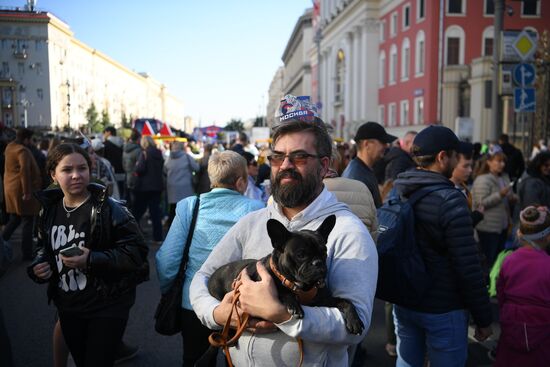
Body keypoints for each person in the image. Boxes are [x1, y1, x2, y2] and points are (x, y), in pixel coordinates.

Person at [190, 94, 377, 366]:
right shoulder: (252, 221)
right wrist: (220, 313)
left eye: (299, 157)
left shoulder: (348, 232)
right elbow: (202, 278)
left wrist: (283, 315)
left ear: (324, 166)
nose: (286, 165)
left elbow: (355, 326)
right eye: (278, 157)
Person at [27, 143, 149, 367]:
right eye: (67, 170)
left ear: (89, 170)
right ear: (53, 174)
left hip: (107, 304)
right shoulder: (48, 210)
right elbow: (43, 248)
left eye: (82, 168)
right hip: (68, 305)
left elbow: (137, 252)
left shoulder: (111, 209)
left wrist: (91, 259)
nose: (76, 175)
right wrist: (38, 266)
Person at [392, 126, 493, 367]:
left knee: (406, 363)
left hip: (404, 300)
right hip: (443, 307)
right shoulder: (450, 200)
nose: (458, 160)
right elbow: (467, 266)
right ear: (442, 157)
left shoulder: (398, 190)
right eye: (456, 155)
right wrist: (483, 318)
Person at [156, 150, 264, 366]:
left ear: (212, 178)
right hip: (238, 303)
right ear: (241, 181)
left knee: (195, 360)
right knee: (238, 360)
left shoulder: (189, 206)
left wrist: (171, 289)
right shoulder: (256, 209)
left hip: (193, 303)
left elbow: (167, 260)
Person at [494, 205, 550, 366]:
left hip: (512, 327)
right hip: (543, 334)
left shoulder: (508, 260)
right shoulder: (548, 264)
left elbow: (501, 293)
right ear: (547, 237)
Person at [472, 145, 517, 268]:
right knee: (488, 261)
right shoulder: (482, 179)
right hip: (488, 227)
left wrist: (513, 198)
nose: (502, 164)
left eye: (503, 161)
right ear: (489, 162)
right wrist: (500, 195)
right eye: (498, 161)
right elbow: (480, 203)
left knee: (499, 261)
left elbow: (509, 196)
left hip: (502, 225)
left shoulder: (504, 177)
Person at [2, 127, 42, 261]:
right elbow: (24, 171)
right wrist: (27, 192)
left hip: (11, 189)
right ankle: (27, 253)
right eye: (30, 140)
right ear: (26, 139)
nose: (31, 142)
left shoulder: (9, 147)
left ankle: (1, 242)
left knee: (15, 218)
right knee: (28, 220)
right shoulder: (22, 151)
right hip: (21, 191)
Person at [342, 121, 396, 208]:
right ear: (367, 144)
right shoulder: (358, 176)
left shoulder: (361, 169)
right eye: (383, 142)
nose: (386, 146)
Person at [133, 135, 164, 244]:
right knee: (155, 213)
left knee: (137, 211)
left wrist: (136, 166)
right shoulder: (159, 153)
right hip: (157, 186)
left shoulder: (145, 153)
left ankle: (133, 235)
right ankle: (158, 237)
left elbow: (140, 169)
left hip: (144, 187)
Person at [164, 141, 200, 226]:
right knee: (186, 207)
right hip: (185, 186)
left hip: (172, 186)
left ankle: (172, 226)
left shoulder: (168, 158)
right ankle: (185, 226)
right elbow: (196, 168)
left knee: (173, 207)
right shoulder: (187, 157)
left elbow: (164, 170)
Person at [103, 126, 125, 196]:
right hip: (122, 171)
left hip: (111, 172)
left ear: (109, 132)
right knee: (122, 193)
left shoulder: (105, 144)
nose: (104, 134)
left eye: (105, 132)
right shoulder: (122, 143)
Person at [122, 129, 141, 211]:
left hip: (127, 175)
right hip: (135, 176)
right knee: (135, 200)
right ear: (137, 139)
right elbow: (140, 165)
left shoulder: (125, 149)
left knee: (128, 197)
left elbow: (123, 163)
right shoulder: (138, 150)